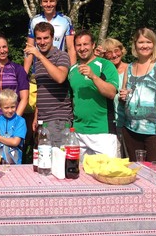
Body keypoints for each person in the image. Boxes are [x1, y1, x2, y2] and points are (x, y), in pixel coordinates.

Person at [120, 28, 156, 170]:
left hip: (155, 131)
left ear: (154, 44)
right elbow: (125, 93)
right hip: (131, 130)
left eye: (148, 42)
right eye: (141, 42)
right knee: (135, 172)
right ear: (135, 45)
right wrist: (124, 96)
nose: (144, 46)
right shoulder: (130, 67)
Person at [68, 30, 120, 158]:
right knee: (79, 175)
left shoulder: (105, 65)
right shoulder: (73, 70)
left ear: (93, 45)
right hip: (78, 132)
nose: (82, 48)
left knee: (107, 174)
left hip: (102, 132)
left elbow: (111, 93)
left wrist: (93, 76)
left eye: (86, 44)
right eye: (78, 45)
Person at [24, 22, 72, 141]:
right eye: (39, 39)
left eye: (46, 38)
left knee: (56, 158)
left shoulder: (61, 56)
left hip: (58, 118)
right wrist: (36, 116)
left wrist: (39, 56)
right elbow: (41, 91)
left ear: (52, 37)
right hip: (43, 119)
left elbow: (60, 77)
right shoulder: (39, 61)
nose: (42, 42)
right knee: (43, 158)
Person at [24, 0, 76, 71]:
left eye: (51, 1)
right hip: (39, 69)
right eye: (45, 1)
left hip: (59, 68)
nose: (48, 4)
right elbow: (29, 48)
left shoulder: (65, 20)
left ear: (56, 2)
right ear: (40, 3)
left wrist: (73, 72)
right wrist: (24, 73)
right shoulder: (34, 20)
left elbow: (71, 49)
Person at [102, 37, 129, 156]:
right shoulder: (103, 71)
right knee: (115, 156)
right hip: (111, 121)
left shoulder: (131, 68)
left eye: (116, 51)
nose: (114, 55)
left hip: (128, 120)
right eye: (109, 52)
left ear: (122, 51)